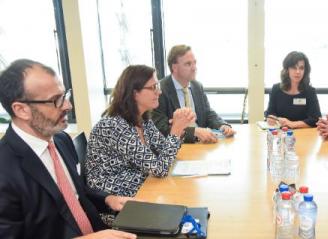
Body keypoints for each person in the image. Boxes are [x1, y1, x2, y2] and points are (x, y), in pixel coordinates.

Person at [0, 59, 136, 238]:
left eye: (65, 95)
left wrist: (108, 199)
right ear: (21, 110)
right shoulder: (4, 169)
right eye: (56, 100)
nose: (68, 106)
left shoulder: (61, 139)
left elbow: (75, 192)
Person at [85, 65, 195, 224]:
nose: (160, 91)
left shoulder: (142, 119)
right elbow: (160, 169)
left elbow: (165, 152)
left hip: (141, 189)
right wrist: (175, 131)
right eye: (153, 87)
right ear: (134, 93)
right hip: (119, 206)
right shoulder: (114, 126)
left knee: (186, 197)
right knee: (181, 208)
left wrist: (179, 128)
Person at [152, 44, 235, 144]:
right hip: (177, 148)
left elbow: (208, 113)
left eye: (194, 63)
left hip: (201, 145)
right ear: (174, 67)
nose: (194, 68)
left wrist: (222, 125)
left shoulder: (197, 86)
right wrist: (194, 132)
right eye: (188, 64)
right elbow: (161, 129)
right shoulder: (160, 90)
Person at [265, 51, 321, 128]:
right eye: (294, 68)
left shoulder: (310, 91)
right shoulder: (276, 89)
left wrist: (292, 124)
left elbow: (316, 119)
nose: (298, 72)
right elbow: (270, 113)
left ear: (305, 71)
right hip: (281, 133)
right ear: (287, 70)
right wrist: (271, 118)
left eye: (301, 68)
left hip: (303, 134)